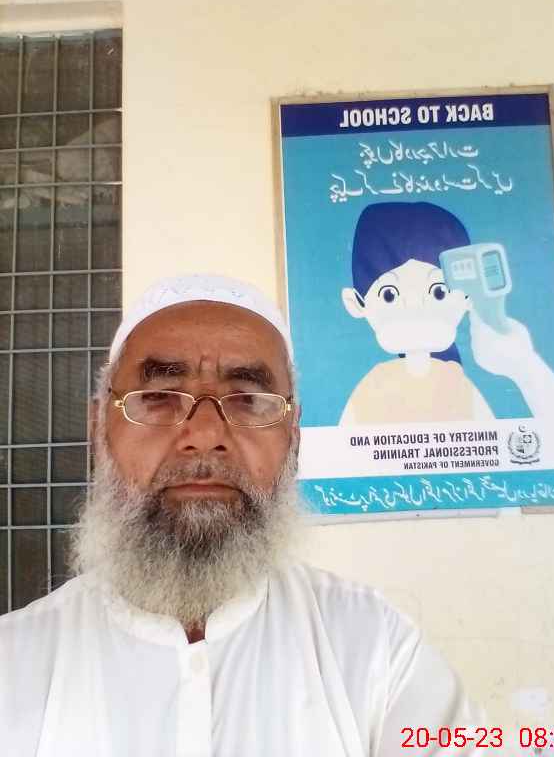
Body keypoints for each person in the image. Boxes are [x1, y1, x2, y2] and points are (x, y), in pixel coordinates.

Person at [1, 274, 483, 756]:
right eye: (159, 397)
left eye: (249, 400)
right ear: (98, 427)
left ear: (294, 436)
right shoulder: (14, 665)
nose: (205, 435)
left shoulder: (377, 650)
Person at [340, 201, 554, 425]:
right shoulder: (373, 388)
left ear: (467, 298)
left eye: (439, 292)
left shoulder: (457, 385)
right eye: (389, 295)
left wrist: (522, 363)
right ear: (355, 303)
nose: (417, 313)